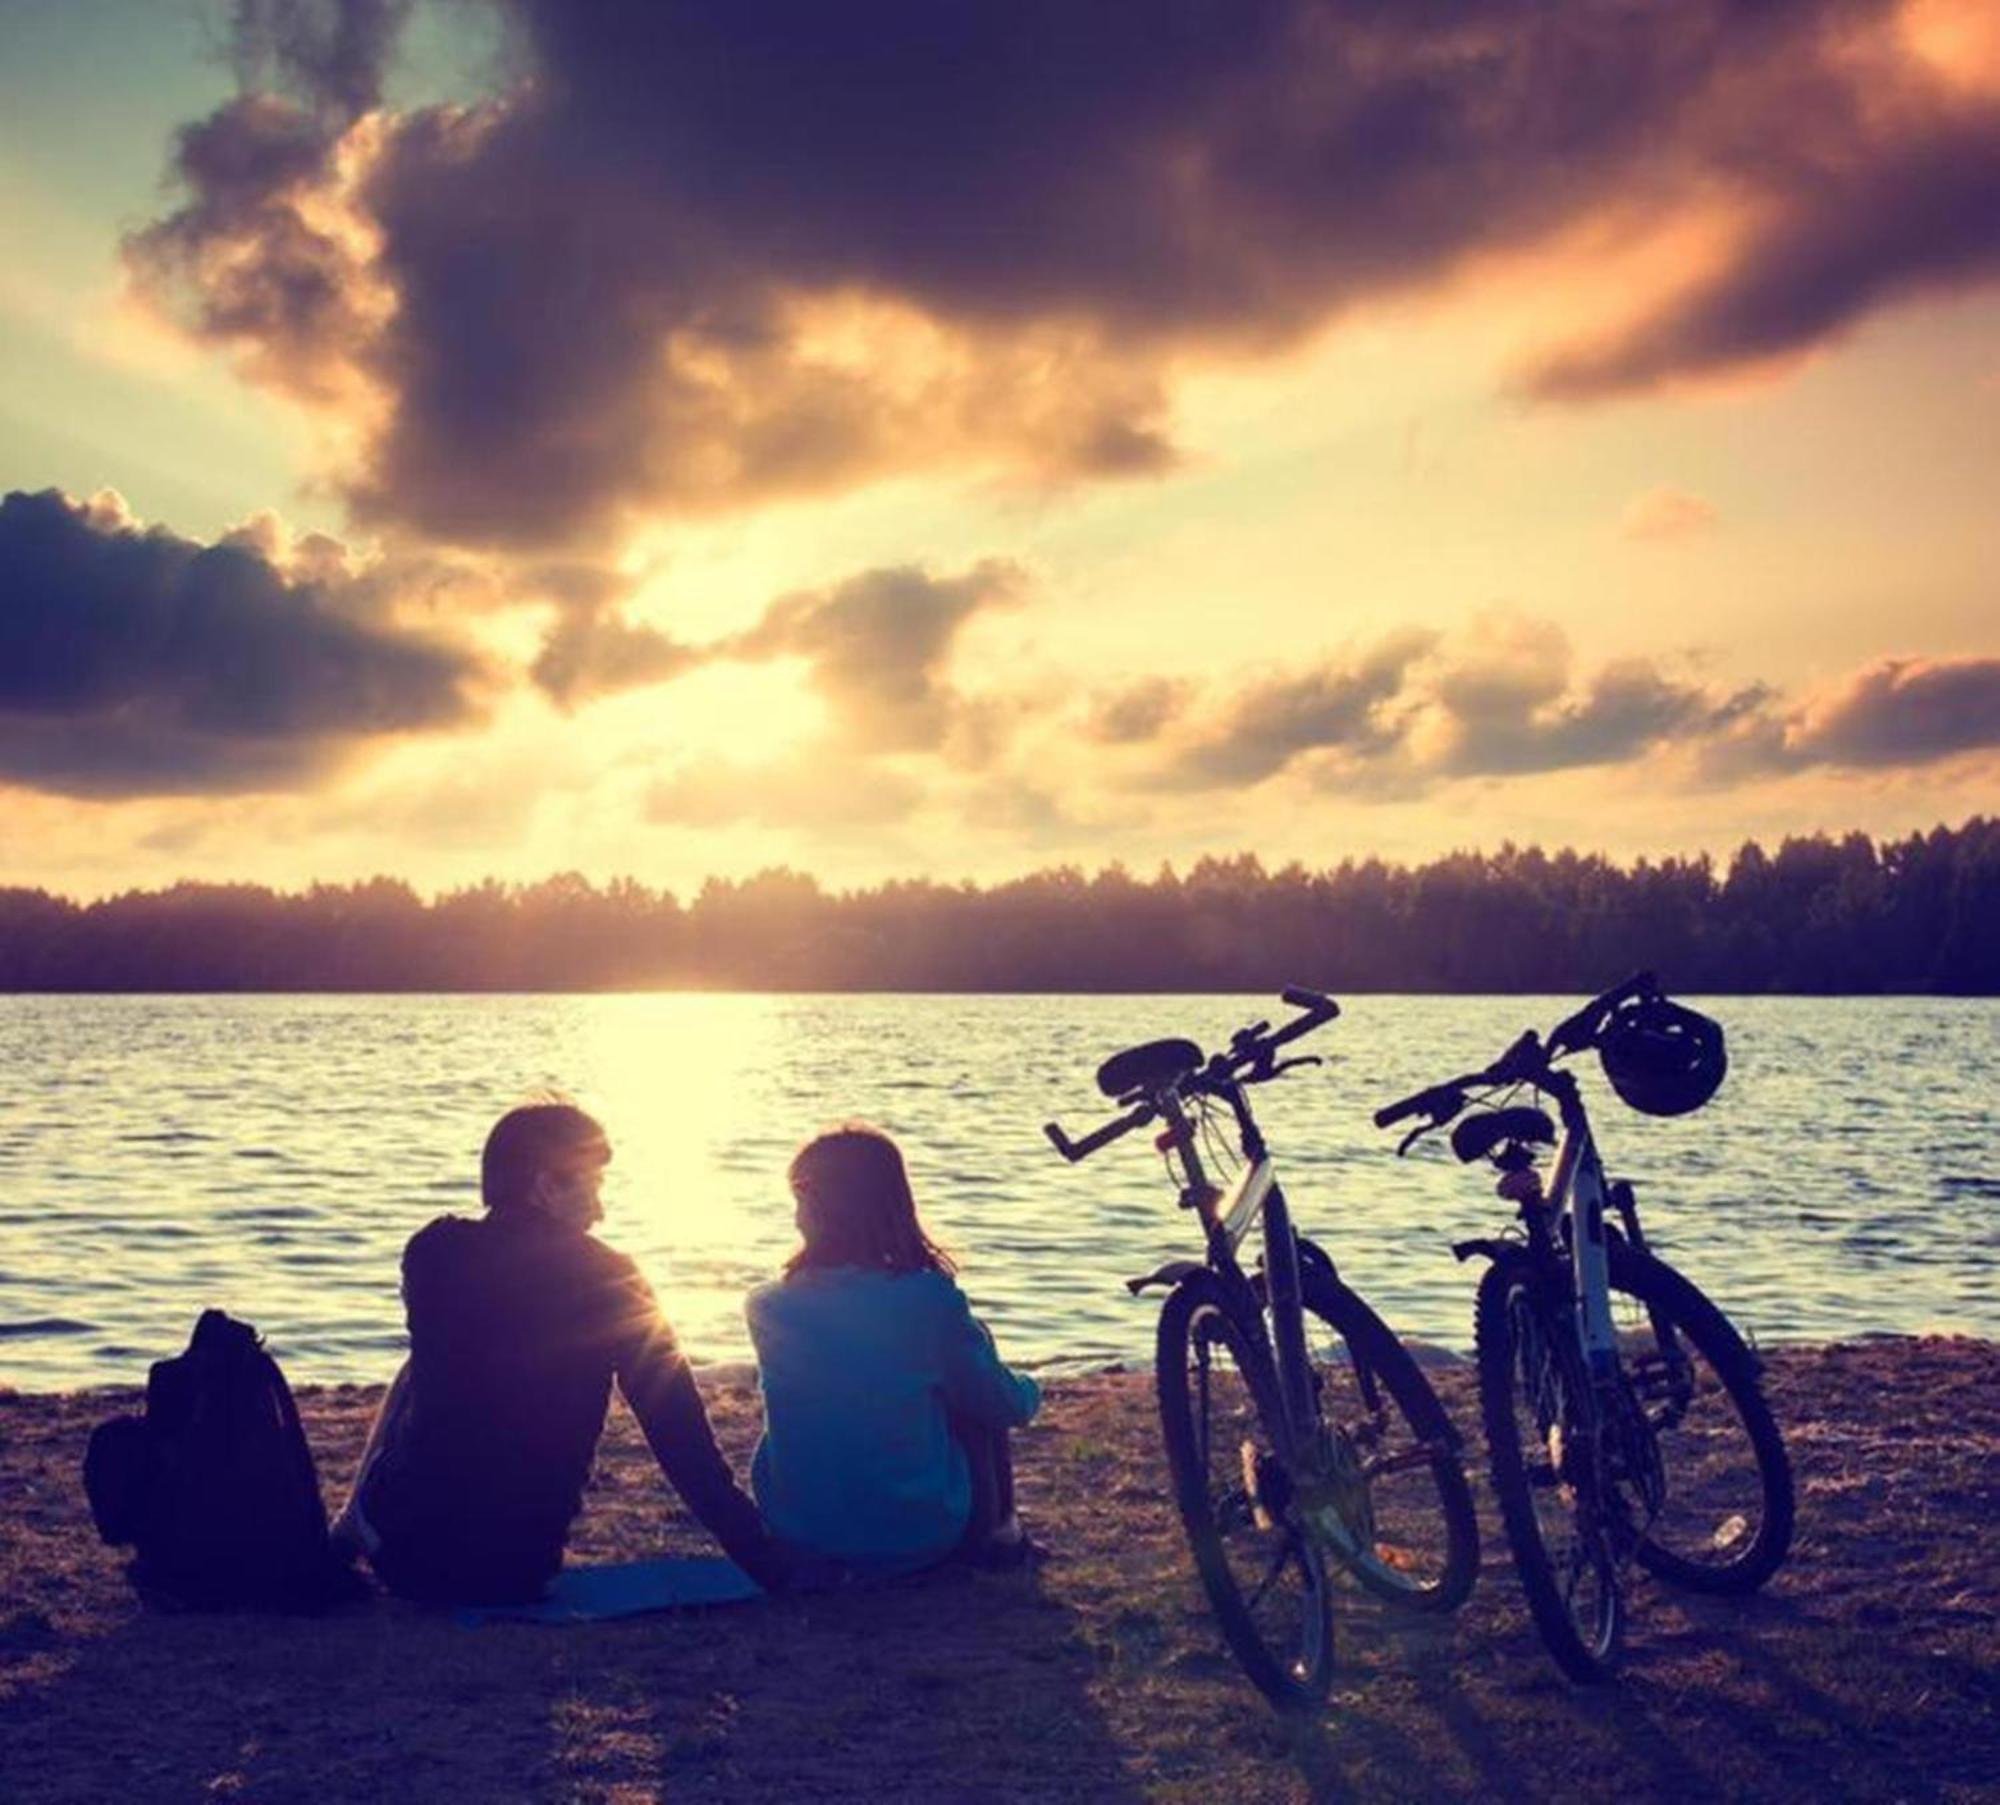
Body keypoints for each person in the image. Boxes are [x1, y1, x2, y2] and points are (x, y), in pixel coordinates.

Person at [334, 1100, 797, 1605]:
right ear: (545, 1186)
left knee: (417, 1371)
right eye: (593, 1186)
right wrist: (767, 1563)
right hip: (514, 1568)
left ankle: (352, 1525)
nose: (600, 1210)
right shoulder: (612, 1276)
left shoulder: (432, 1251)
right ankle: (359, 1522)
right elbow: (678, 1435)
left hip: (405, 1557)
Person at [745, 1124, 1041, 1577]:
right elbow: (1004, 1404)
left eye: (799, 1202)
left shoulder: (766, 1304)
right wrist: (1030, 1389)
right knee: (970, 1383)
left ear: (812, 1212)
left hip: (801, 1534)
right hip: (918, 1538)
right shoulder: (929, 1298)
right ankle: (1002, 1532)